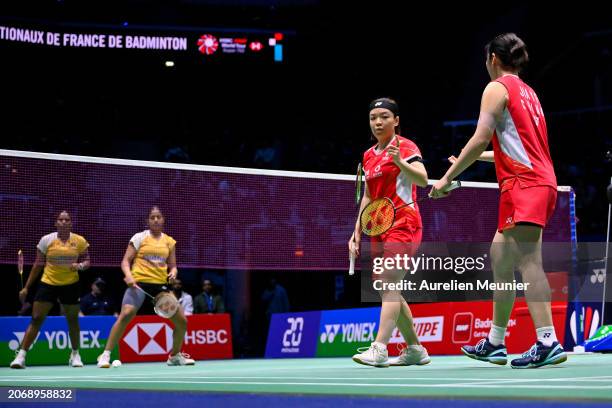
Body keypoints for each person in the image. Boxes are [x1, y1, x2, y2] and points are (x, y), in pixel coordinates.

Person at [431, 33, 566, 368]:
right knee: (501, 258)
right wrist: (473, 159)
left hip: (525, 184)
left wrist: (448, 179)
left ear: (492, 58)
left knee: (528, 261)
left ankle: (547, 341)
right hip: (529, 181)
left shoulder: (496, 87)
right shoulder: (529, 92)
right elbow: (514, 145)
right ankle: (495, 342)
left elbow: (480, 137)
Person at [349, 98, 431, 367]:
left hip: (404, 221)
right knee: (388, 288)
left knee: (389, 285)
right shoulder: (368, 156)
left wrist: (401, 162)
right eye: (373, 117)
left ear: (396, 120)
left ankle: (380, 347)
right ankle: (416, 349)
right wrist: (356, 233)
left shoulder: (405, 146)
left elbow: (422, 179)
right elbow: (369, 196)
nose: (378, 122)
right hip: (380, 226)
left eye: (384, 116)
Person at [96, 206, 194, 367]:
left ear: (163, 220)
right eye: (152, 217)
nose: (155, 219)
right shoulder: (139, 237)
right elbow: (125, 261)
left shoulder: (169, 241)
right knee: (126, 314)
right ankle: (105, 355)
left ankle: (175, 356)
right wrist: (128, 276)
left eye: (158, 217)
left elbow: (173, 265)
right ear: (148, 220)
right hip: (139, 283)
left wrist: (173, 272)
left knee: (182, 321)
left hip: (160, 286)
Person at [11, 211, 90, 369]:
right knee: (36, 318)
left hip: (70, 284)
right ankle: (21, 356)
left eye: (67, 220)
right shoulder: (46, 240)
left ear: (71, 223)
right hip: (48, 283)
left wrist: (80, 266)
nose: (63, 222)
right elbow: (38, 265)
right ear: (55, 223)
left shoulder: (79, 241)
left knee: (73, 320)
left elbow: (87, 260)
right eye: (60, 220)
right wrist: (26, 288)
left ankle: (75, 354)